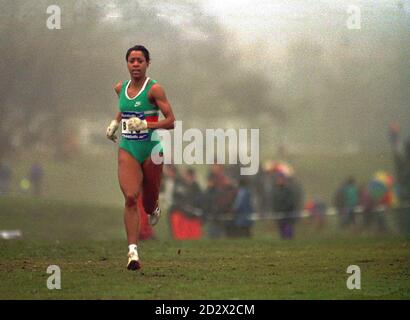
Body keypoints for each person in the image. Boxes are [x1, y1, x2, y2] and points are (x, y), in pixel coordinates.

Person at [106, 45, 176, 270]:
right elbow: (124, 107)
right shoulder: (120, 88)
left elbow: (171, 121)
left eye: (140, 61)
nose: (135, 64)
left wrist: (146, 123)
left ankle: (153, 204)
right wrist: (115, 123)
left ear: (147, 64)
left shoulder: (154, 90)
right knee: (130, 197)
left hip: (151, 149)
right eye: (132, 60)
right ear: (127, 64)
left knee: (147, 204)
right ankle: (132, 252)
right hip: (128, 147)